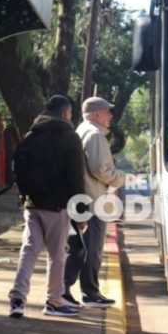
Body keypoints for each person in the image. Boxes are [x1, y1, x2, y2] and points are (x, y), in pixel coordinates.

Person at [8, 95, 86, 318]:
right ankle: (54, 300)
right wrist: (80, 214)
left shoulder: (32, 134)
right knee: (57, 255)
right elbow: (75, 178)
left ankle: (17, 299)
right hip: (56, 204)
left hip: (31, 203)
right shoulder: (69, 137)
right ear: (66, 113)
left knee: (29, 250)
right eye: (70, 113)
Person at [63, 96, 126, 308]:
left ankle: (68, 290)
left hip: (82, 199)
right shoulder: (95, 135)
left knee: (79, 248)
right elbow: (101, 169)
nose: (110, 116)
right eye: (107, 111)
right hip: (93, 201)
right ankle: (89, 292)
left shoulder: (81, 131)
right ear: (96, 114)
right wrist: (121, 178)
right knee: (92, 249)